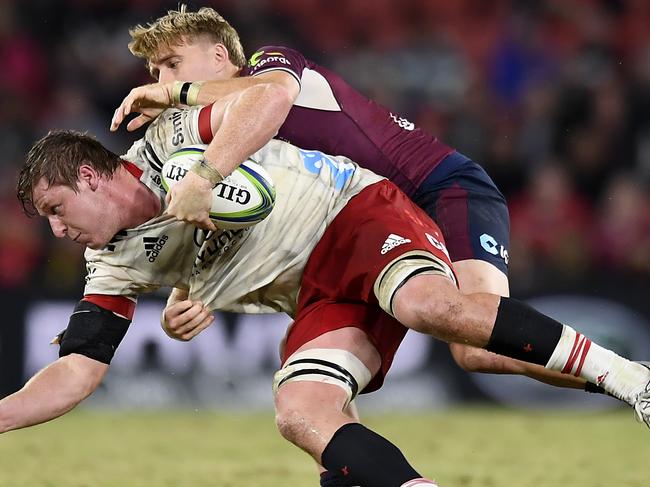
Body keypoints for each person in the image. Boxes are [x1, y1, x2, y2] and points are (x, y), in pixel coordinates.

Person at [7, 94, 650, 487]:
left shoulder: (174, 136)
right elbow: (76, 372)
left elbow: (266, 101)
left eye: (57, 209)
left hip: (353, 211)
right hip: (316, 295)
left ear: (90, 176)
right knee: (300, 412)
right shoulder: (112, 262)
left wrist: (204, 171)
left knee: (430, 308)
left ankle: (633, 380)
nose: (58, 230)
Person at [110, 5, 589, 397]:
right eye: (154, 71)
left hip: (442, 188)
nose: (158, 79)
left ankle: (625, 376)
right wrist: (186, 299)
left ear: (219, 56)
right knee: (318, 379)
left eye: (171, 63)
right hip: (377, 225)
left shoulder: (272, 64)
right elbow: (226, 218)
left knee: (478, 348)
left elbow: (272, 96)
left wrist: (175, 91)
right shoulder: (225, 143)